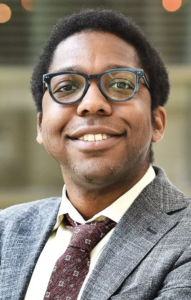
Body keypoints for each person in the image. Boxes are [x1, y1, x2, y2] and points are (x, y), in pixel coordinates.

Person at [1, 8, 191, 300]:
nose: (91, 104)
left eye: (120, 84)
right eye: (66, 86)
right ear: (40, 125)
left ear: (157, 122)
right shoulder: (5, 232)